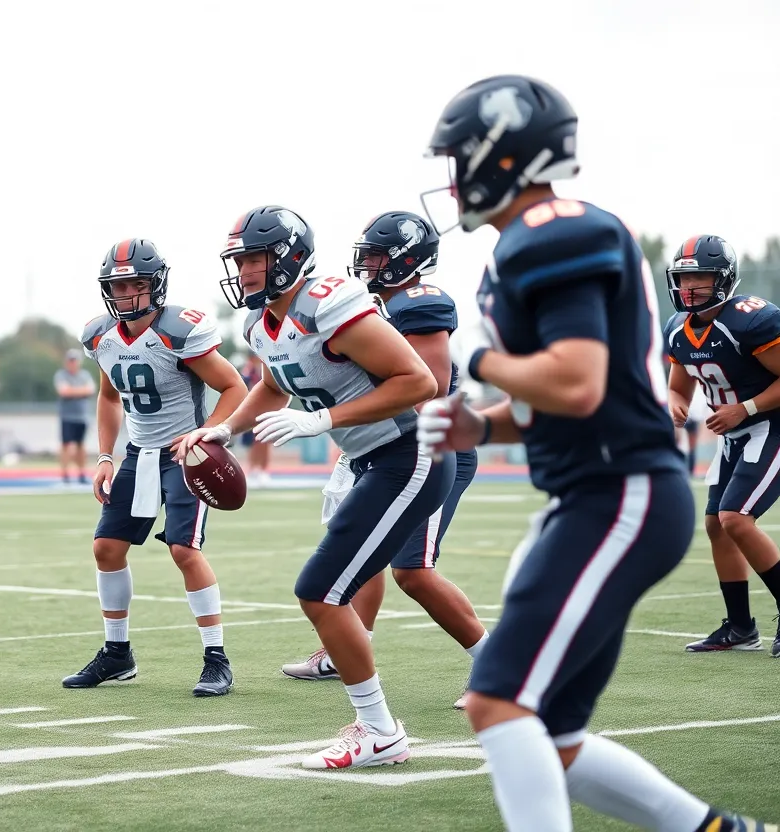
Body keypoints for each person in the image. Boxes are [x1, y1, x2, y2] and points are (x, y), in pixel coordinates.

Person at [416, 74, 771, 832]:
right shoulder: (539, 235)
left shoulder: (552, 230)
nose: (453, 180)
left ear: (499, 155)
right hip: (597, 492)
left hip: (621, 493)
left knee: (498, 699)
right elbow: (569, 398)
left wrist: (477, 364)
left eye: (460, 159)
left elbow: (576, 383)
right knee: (554, 734)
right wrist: (486, 427)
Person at [180, 205, 452, 769]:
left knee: (323, 588)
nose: (245, 270)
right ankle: (378, 727)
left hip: (411, 452)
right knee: (325, 588)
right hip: (374, 461)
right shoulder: (261, 323)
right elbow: (275, 386)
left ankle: (379, 730)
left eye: (254, 258)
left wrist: (324, 420)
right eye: (240, 259)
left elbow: (420, 380)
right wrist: (226, 428)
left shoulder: (329, 302)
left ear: (289, 257)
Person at [281, 210, 488, 712]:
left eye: (377, 256)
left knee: (412, 571)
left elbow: (430, 385)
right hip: (381, 449)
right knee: (361, 553)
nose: (367, 265)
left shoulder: (420, 302)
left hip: (431, 447)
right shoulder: (365, 305)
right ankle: (348, 645)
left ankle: (497, 666)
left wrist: (340, 419)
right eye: (365, 255)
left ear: (408, 261)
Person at [64, 239, 246, 696]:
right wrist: (106, 456)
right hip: (138, 454)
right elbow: (108, 397)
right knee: (106, 548)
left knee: (184, 551)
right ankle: (117, 653)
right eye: (118, 286)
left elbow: (234, 388)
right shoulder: (100, 335)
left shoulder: (177, 331)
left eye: (135, 284)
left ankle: (216, 658)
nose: (125, 295)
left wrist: (207, 435)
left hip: (186, 454)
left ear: (155, 286)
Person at [664, 235, 780, 657]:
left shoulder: (750, 319)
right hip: (736, 435)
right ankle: (740, 627)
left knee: (735, 517)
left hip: (771, 426)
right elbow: (679, 387)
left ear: (723, 280)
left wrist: (744, 408)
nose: (689, 287)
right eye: (683, 277)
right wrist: (676, 406)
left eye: (700, 277)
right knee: (717, 524)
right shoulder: (677, 329)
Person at [54, 349, 95, 484]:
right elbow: (63, 391)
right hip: (67, 416)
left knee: (81, 445)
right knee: (66, 445)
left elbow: (90, 390)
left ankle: (81, 473)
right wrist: (81, 391)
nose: (73, 363)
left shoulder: (84, 375)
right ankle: (65, 474)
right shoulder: (61, 375)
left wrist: (73, 391)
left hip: (82, 416)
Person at [238, 352, 272, 487]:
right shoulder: (247, 372)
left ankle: (263, 470)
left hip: (266, 411)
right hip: (252, 413)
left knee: (265, 442)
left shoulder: (266, 369)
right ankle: (253, 470)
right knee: (252, 443)